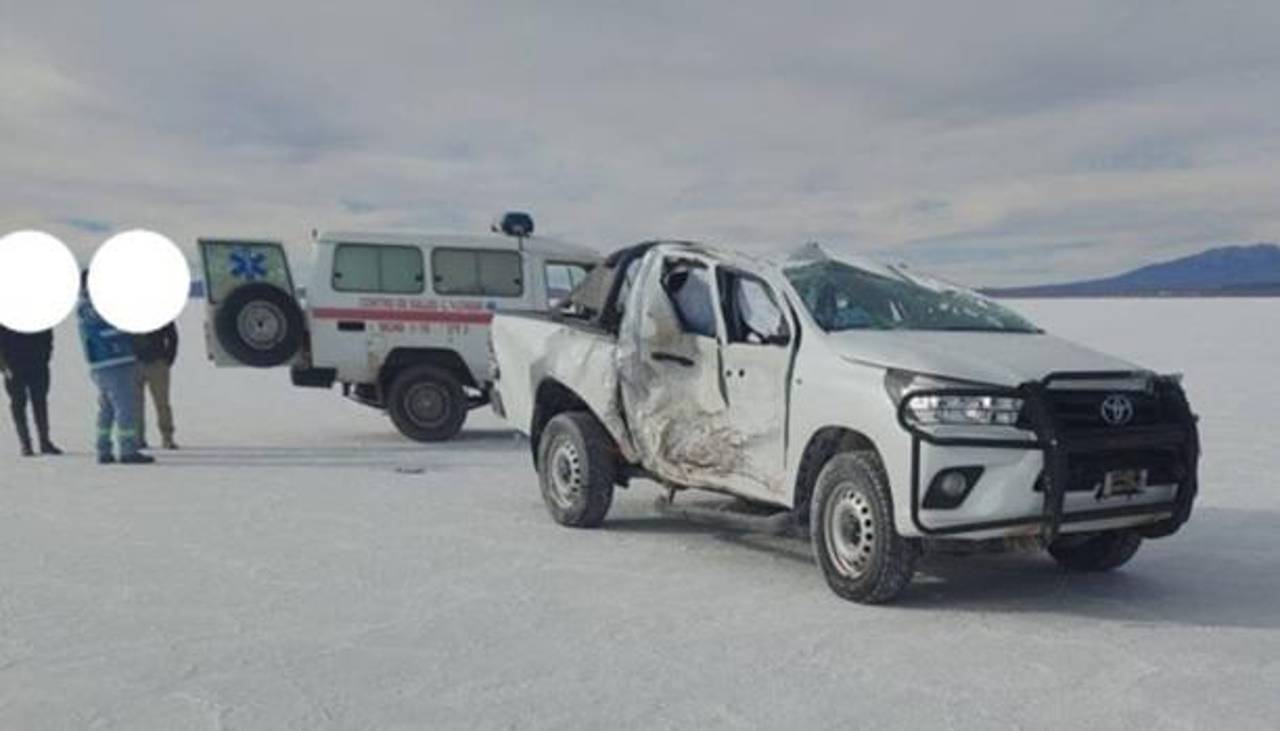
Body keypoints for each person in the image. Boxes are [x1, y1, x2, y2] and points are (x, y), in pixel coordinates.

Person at [75, 275, 154, 465]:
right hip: (115, 359)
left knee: (107, 408)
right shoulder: (96, 306)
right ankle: (128, 450)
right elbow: (114, 327)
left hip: (102, 363)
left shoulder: (86, 307)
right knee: (125, 406)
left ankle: (103, 448)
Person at [0, 325, 62, 456]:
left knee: (39, 402)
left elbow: (47, 334)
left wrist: (45, 356)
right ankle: (26, 443)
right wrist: (4, 366)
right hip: (14, 365)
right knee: (18, 403)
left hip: (37, 363)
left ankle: (44, 442)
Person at [134, 322, 178, 450]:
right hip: (134, 363)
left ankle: (167, 438)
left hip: (157, 363)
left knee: (162, 403)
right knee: (135, 404)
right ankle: (138, 438)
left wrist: (168, 359)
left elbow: (172, 336)